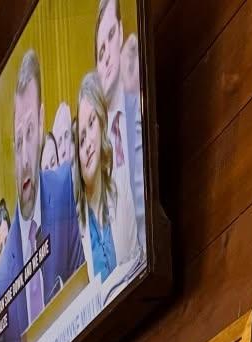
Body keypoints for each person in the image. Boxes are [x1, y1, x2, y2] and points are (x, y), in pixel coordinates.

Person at [0, 47, 86, 342]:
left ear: (43, 120)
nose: (25, 157)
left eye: (31, 132)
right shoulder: (2, 278)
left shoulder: (65, 190)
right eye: (17, 141)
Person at [76, 70, 138, 287]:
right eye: (80, 140)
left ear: (102, 123)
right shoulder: (77, 228)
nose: (87, 145)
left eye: (91, 123)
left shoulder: (124, 188)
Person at [97, 0, 146, 241]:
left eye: (111, 36)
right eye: (100, 52)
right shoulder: (97, 151)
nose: (106, 56)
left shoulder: (140, 101)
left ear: (122, 31)